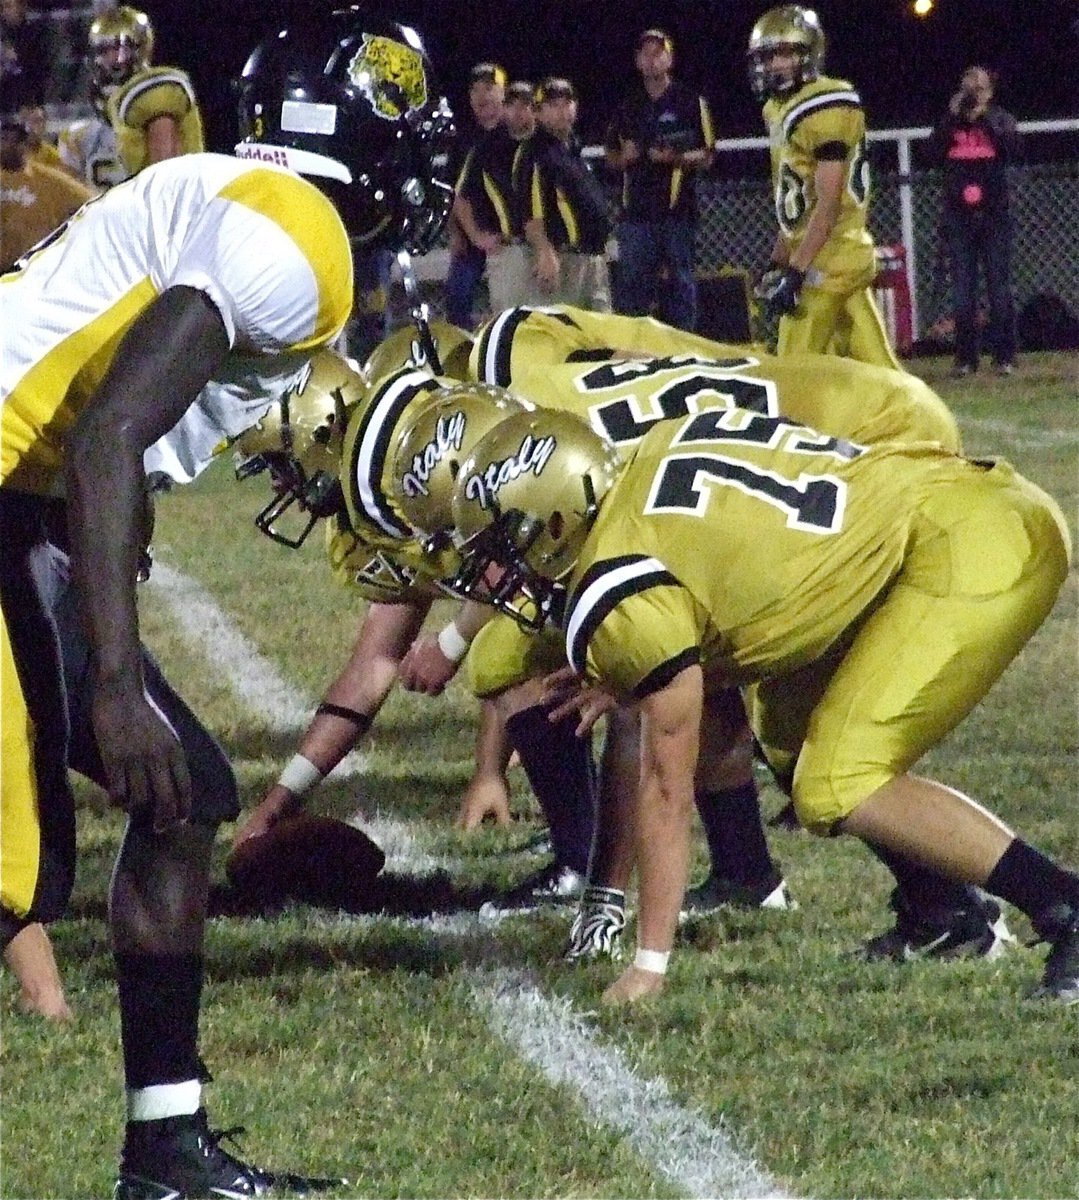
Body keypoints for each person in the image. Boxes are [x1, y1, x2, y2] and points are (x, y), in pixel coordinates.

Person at [0, 11, 451, 1194]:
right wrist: (113, 685)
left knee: (184, 792)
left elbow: (95, 408)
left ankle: (166, 1152)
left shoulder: (226, 188)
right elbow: (107, 435)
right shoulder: (298, 235)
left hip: (20, 503)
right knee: (10, 876)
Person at [448, 400, 1079, 1008]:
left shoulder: (617, 584)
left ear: (559, 522)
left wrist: (649, 964)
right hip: (937, 510)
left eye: (506, 550)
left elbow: (666, 791)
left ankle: (1064, 907)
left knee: (838, 782)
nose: (500, 577)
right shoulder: (641, 461)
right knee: (787, 736)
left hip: (966, 544)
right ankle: (944, 912)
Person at [746, 5, 901, 368]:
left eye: (785, 54)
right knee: (879, 372)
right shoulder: (777, 108)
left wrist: (796, 272)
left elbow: (828, 205)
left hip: (827, 260)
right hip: (834, 254)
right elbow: (796, 198)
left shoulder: (825, 104)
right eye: (768, 57)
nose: (774, 65)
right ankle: (910, 406)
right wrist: (778, 259)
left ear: (809, 55)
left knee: (792, 374)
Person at [605, 29, 714, 331]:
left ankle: (683, 348)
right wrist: (624, 158)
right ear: (637, 61)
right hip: (636, 218)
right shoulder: (627, 107)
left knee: (681, 287)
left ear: (670, 58)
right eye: (646, 54)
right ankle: (635, 350)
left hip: (678, 215)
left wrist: (675, 158)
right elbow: (610, 156)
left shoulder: (690, 102)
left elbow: (707, 155)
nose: (652, 60)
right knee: (633, 292)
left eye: (658, 53)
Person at [928, 65, 1020, 378]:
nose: (973, 95)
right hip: (959, 216)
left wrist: (984, 119)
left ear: (990, 93)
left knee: (998, 288)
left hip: (994, 215)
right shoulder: (951, 121)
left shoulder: (1001, 119)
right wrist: (952, 117)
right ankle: (966, 358)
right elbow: (932, 152)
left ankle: (1004, 356)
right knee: (963, 290)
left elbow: (1013, 150)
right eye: (968, 88)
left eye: (979, 89)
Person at [57, 5, 203, 190]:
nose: (109, 59)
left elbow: (166, 182)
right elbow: (71, 198)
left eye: (117, 49)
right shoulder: (79, 136)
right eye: (102, 50)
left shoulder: (155, 98)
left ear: (139, 49)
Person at [512, 77, 612, 311]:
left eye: (567, 104)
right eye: (553, 105)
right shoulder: (535, 152)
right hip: (565, 261)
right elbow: (530, 212)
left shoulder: (572, 150)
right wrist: (545, 252)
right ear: (537, 112)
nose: (562, 111)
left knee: (601, 329)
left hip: (593, 259)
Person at [458, 77, 537, 316]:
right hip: (510, 250)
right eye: (512, 105)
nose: (519, 112)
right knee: (512, 322)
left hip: (554, 250)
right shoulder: (485, 148)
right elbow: (461, 198)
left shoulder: (548, 144)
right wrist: (476, 237)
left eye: (526, 105)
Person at [443, 61, 507, 329]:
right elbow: (452, 192)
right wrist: (460, 234)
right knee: (457, 300)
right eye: (476, 90)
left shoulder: (517, 135)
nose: (483, 96)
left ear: (503, 93)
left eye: (489, 88)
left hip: (512, 239)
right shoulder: (463, 140)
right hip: (473, 240)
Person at [1, 106, 93, 271]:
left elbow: (89, 201)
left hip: (32, 268)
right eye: (4, 139)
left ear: (24, 144)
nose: (9, 145)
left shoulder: (47, 179)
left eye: (16, 140)